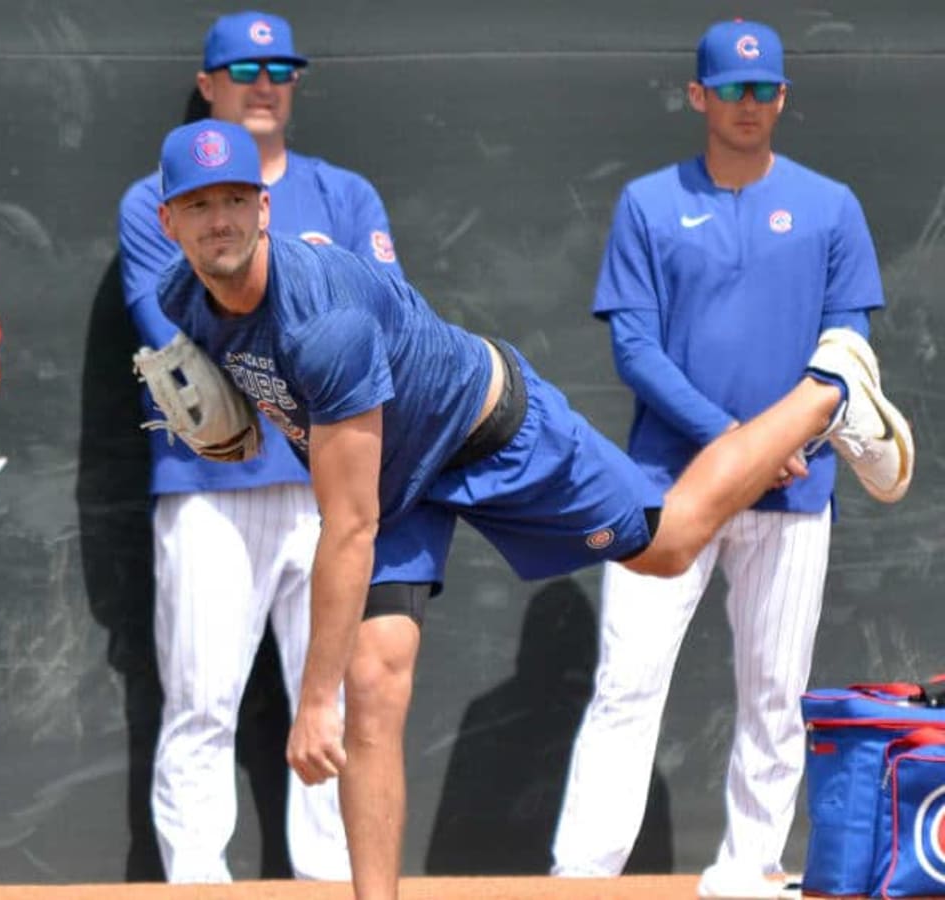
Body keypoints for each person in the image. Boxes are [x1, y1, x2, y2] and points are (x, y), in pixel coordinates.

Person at [150, 117, 912, 900]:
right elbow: (256, 386)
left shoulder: (325, 325)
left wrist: (313, 704)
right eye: (200, 205)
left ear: (265, 208)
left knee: (670, 543)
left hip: (488, 430)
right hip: (391, 472)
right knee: (376, 684)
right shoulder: (186, 296)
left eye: (237, 199)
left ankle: (832, 387)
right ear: (168, 220)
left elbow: (348, 526)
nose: (221, 221)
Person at [550, 20, 892, 899]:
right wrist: (736, 442)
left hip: (795, 485)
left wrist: (786, 441)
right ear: (698, 96)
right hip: (668, 487)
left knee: (776, 695)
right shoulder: (646, 203)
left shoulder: (831, 206)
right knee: (626, 684)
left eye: (763, 89)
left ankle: (748, 872)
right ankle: (582, 880)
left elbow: (845, 348)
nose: (748, 103)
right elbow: (634, 345)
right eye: (731, 89)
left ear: (782, 97)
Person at [117, 10, 401, 884]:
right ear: (208, 85)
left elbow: (386, 319)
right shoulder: (148, 203)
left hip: (331, 490)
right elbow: (173, 333)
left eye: (280, 69)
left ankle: (326, 880)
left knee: (338, 700)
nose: (265, 83)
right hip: (210, 483)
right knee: (202, 699)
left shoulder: (345, 194)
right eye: (245, 69)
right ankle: (197, 880)